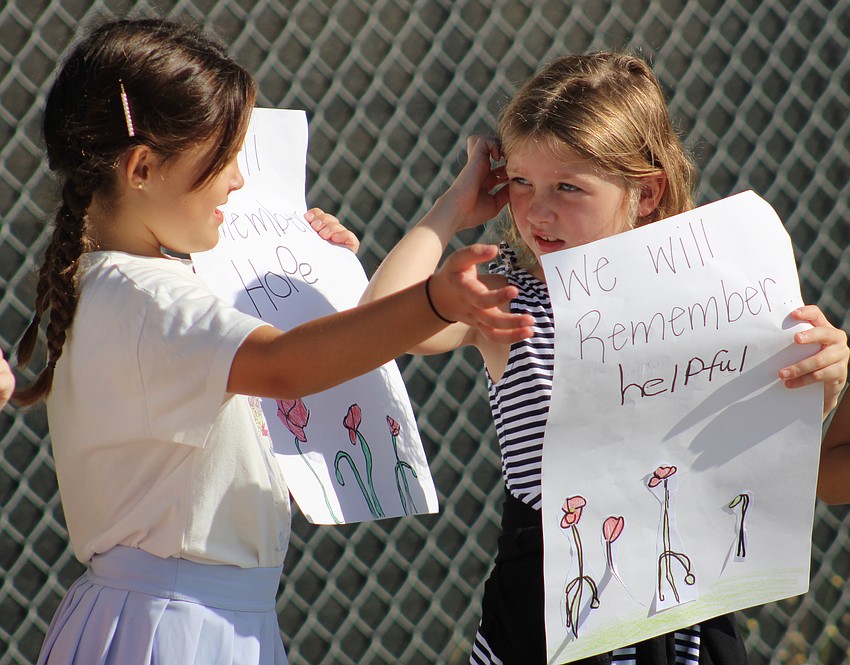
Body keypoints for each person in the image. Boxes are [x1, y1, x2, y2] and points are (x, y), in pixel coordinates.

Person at [14, 18, 533, 665]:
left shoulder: (135, 285)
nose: (237, 180)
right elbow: (284, 365)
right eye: (222, 157)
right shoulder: (150, 299)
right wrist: (431, 302)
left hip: (173, 615)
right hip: (176, 629)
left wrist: (325, 272)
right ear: (142, 167)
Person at [356, 51, 849, 664]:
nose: (537, 210)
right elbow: (381, 323)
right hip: (551, 604)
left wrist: (817, 385)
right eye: (521, 183)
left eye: (568, 187)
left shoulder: (711, 298)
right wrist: (453, 207)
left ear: (646, 192)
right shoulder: (508, 294)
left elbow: (751, 446)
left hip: (683, 605)